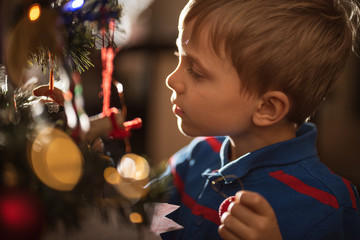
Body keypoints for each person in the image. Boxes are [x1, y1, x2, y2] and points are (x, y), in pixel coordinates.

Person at [159, 0, 360, 239]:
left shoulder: (330, 207)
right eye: (178, 55)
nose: (172, 80)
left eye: (196, 71)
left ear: (267, 107)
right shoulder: (198, 155)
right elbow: (142, 219)